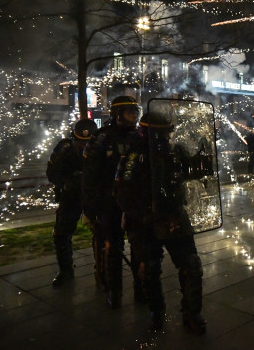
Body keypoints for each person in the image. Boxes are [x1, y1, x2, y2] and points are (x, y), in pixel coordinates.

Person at [115, 112, 208, 333]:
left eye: (166, 133)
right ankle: (156, 312)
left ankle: (191, 312)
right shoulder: (133, 155)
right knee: (149, 268)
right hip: (144, 220)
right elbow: (121, 191)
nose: (165, 138)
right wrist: (143, 214)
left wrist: (203, 158)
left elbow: (190, 169)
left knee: (191, 264)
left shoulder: (174, 151)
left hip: (173, 215)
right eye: (160, 134)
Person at [82, 95, 140, 309]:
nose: (133, 116)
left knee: (139, 248)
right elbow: (89, 176)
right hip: (110, 203)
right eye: (129, 112)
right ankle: (113, 292)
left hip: (134, 203)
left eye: (135, 112)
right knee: (112, 249)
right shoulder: (101, 138)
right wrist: (89, 208)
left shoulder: (139, 136)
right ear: (117, 114)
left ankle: (141, 289)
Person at [47, 118, 98, 286]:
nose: (84, 147)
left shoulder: (100, 146)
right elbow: (52, 174)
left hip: (94, 195)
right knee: (61, 233)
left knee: (103, 234)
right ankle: (66, 270)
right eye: (80, 143)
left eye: (87, 144)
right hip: (71, 196)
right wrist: (69, 181)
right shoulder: (65, 149)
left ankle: (104, 270)